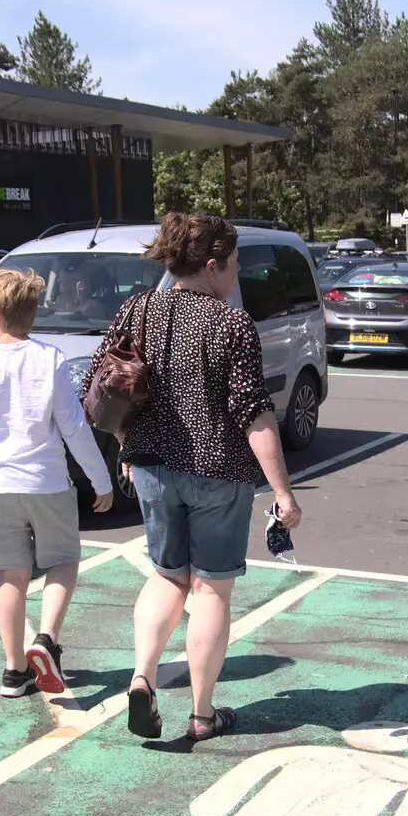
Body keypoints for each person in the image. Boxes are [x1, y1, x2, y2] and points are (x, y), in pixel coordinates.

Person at [83, 213, 303, 744]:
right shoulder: (230, 324)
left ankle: (141, 677)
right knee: (211, 591)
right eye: (233, 263)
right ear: (212, 266)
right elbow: (254, 412)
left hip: (152, 469)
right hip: (217, 472)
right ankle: (202, 713)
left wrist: (126, 447)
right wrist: (282, 492)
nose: (238, 272)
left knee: (165, 577)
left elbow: (102, 386)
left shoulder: (136, 310)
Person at [0, 269, 113, 698]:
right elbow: (74, 427)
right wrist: (100, 480)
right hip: (47, 481)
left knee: (9, 578)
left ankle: (14, 672)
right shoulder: (50, 359)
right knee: (63, 561)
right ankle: (47, 639)